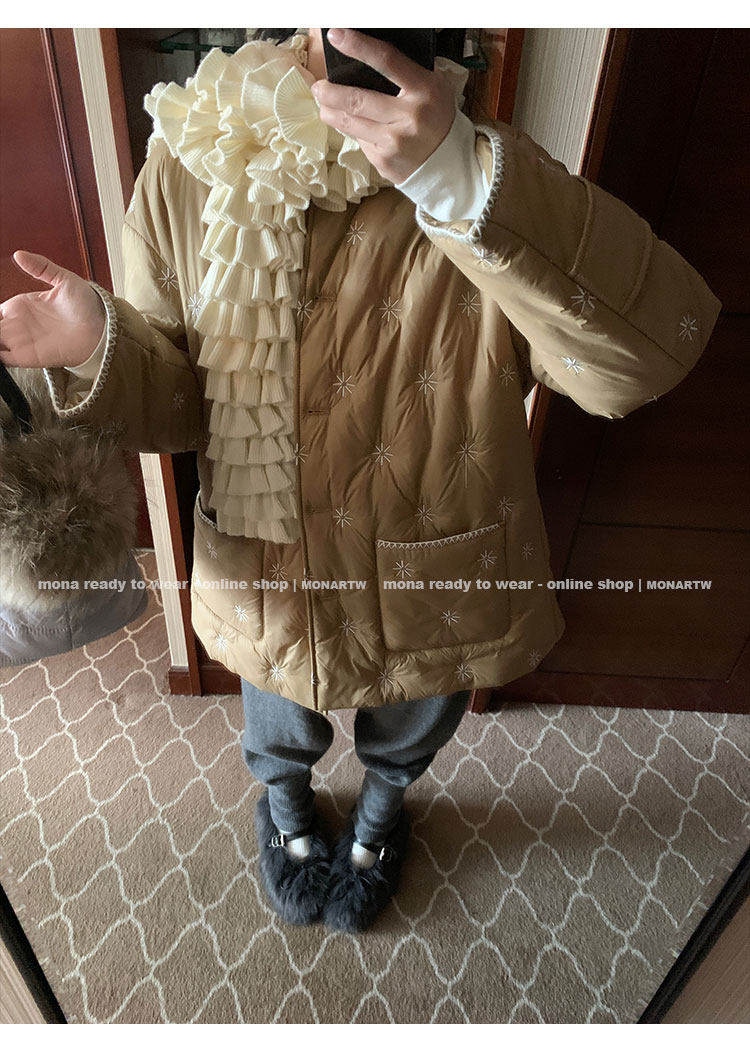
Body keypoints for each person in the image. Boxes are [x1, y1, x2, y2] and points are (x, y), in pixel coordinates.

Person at [0, 29, 721, 933]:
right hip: (267, 551)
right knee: (276, 714)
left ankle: (383, 813)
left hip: (440, 545)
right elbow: (183, 405)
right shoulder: (190, 156)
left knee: (414, 718)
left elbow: (644, 358)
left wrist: (458, 180)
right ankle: (286, 808)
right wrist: (97, 344)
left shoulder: (490, 171)